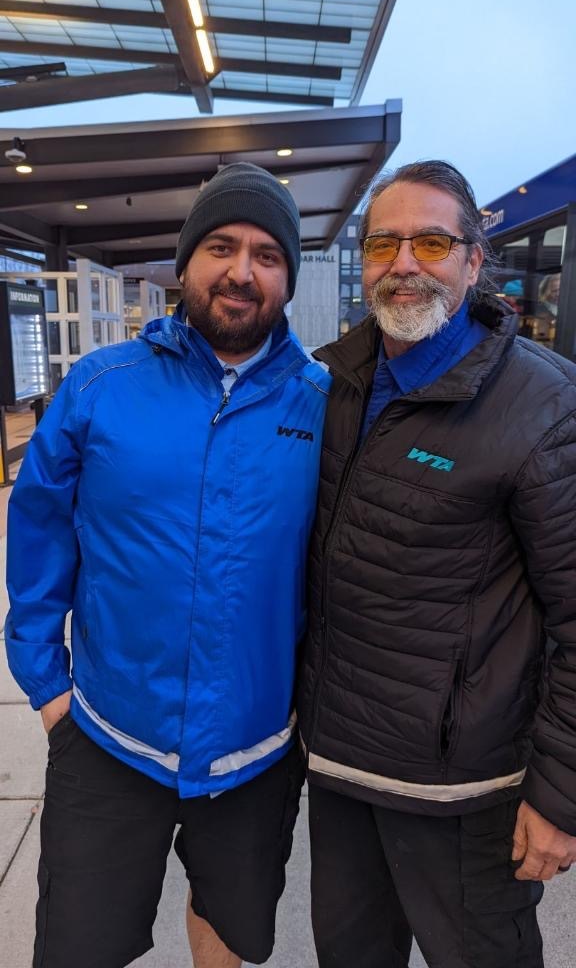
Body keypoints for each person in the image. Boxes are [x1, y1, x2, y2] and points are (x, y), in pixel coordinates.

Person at [5, 162, 329, 968]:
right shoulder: (99, 387)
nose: (241, 271)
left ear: (286, 277)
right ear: (184, 263)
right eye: (221, 246)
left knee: (231, 920)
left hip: (254, 744)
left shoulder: (324, 405)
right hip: (111, 736)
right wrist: (48, 689)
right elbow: (39, 533)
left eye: (266, 254)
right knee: (80, 942)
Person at [297, 160, 576, 968]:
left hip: (464, 791)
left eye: (431, 241)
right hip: (342, 765)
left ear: (472, 260)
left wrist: (559, 794)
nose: (405, 263)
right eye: (384, 243)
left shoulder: (545, 406)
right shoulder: (332, 383)